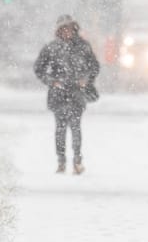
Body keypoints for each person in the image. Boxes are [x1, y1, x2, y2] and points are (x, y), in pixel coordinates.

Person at [34, 14, 100, 174]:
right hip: (58, 94)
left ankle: (77, 160)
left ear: (74, 29)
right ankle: (61, 161)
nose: (67, 31)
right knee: (60, 129)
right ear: (59, 30)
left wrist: (86, 80)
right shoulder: (51, 48)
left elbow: (95, 67)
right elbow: (39, 69)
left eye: (69, 28)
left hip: (77, 93)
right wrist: (52, 81)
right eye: (63, 28)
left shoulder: (84, 46)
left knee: (76, 128)